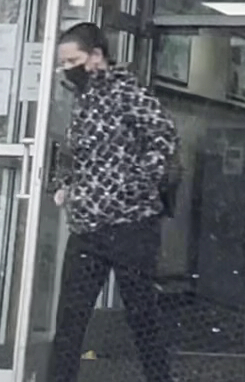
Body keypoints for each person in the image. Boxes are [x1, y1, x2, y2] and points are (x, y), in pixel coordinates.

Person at [49, 22, 179, 382]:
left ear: (96, 56)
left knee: (142, 316)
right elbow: (74, 152)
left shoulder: (128, 92)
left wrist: (134, 184)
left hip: (130, 226)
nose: (67, 69)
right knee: (70, 319)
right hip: (87, 226)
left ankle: (159, 378)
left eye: (72, 60)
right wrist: (66, 184)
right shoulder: (80, 100)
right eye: (63, 63)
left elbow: (164, 137)